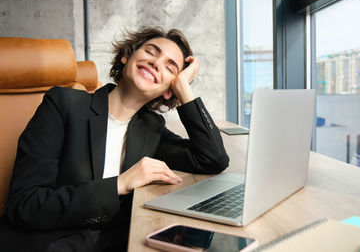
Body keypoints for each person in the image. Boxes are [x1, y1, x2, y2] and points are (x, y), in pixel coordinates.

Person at [0, 27, 229, 252]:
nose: (156, 63)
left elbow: (212, 159)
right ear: (126, 56)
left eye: (170, 68)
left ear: (169, 91)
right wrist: (120, 184)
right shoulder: (64, 104)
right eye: (151, 52)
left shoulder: (150, 128)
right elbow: (24, 205)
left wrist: (184, 88)